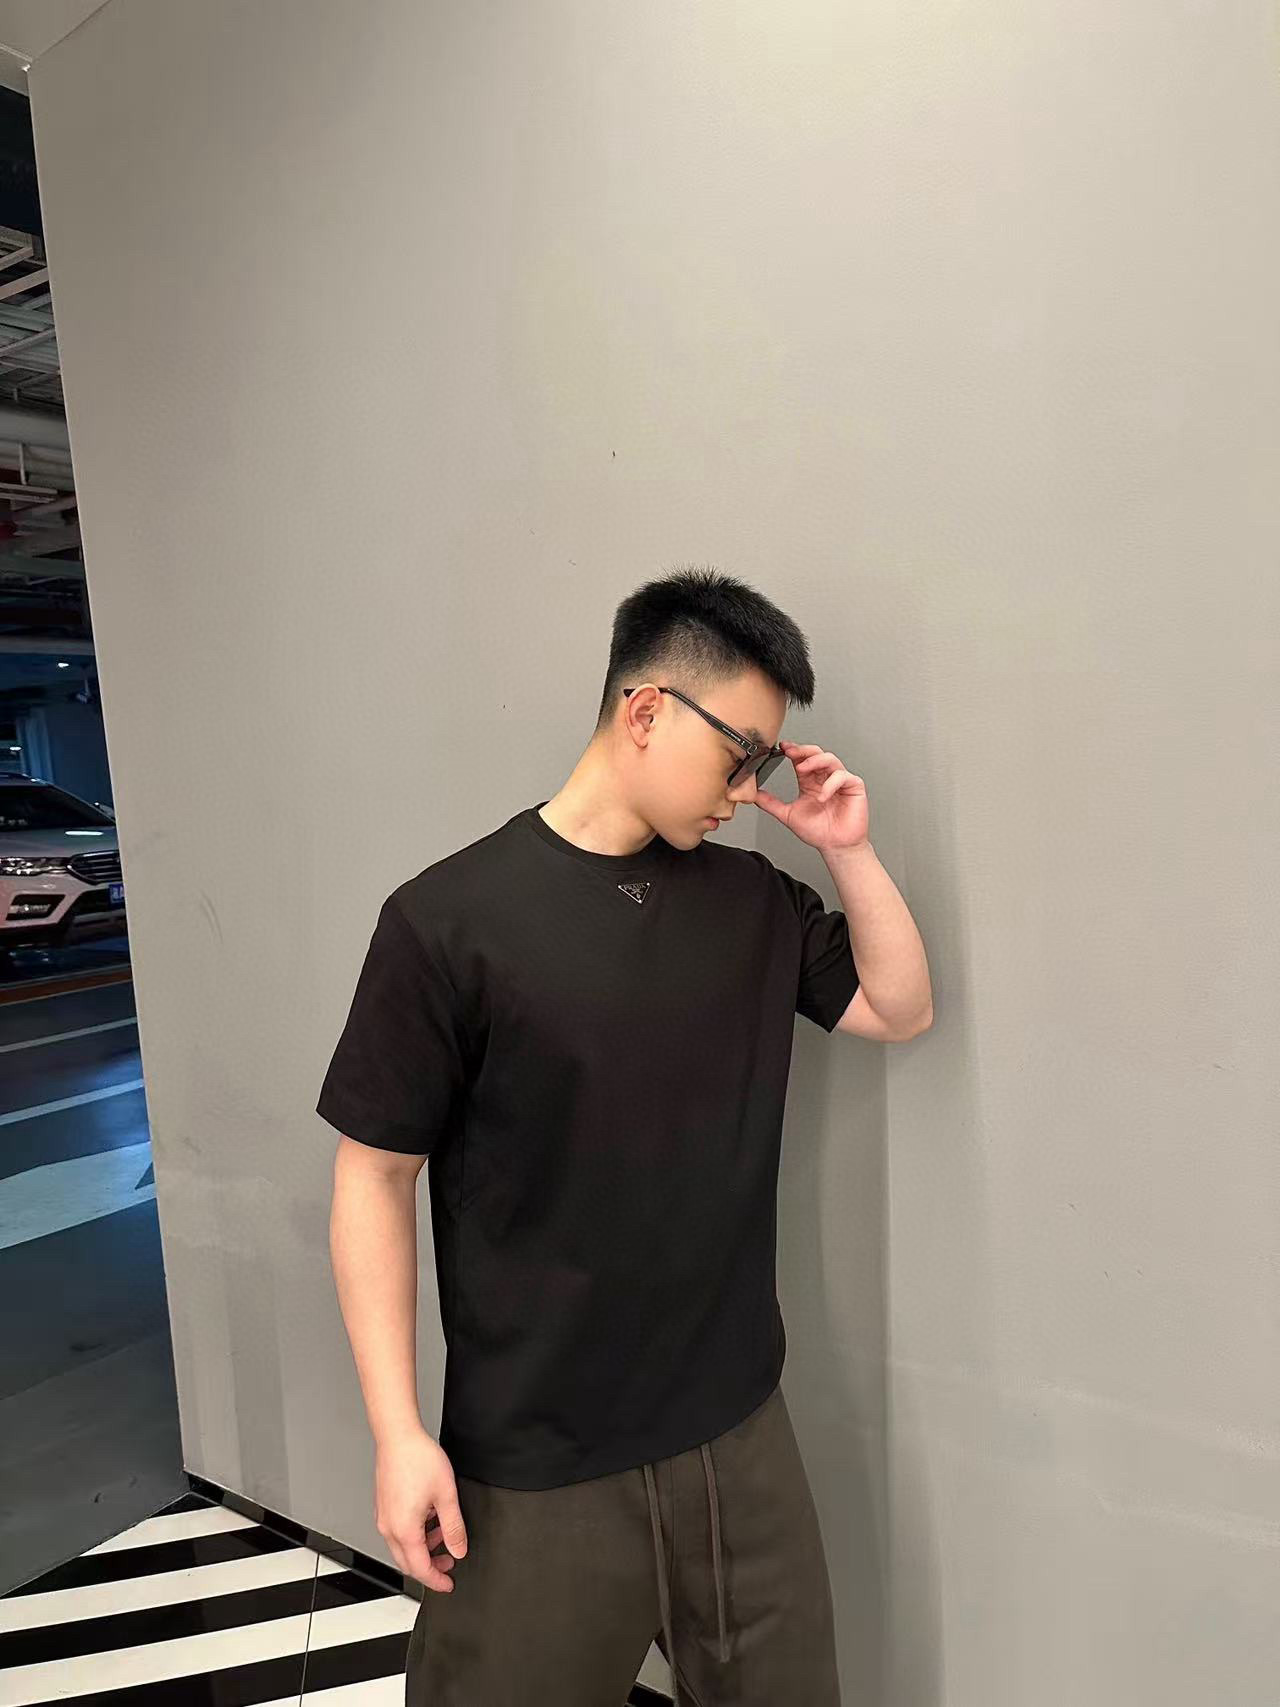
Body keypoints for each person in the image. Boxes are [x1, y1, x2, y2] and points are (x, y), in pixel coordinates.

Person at [317, 565, 933, 1705]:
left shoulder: (751, 904)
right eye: (738, 755)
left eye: (763, 764)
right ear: (645, 710)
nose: (745, 792)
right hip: (538, 1463)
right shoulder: (447, 922)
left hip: (738, 1431)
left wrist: (844, 847)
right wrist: (398, 1434)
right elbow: (373, 1176)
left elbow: (898, 1008)